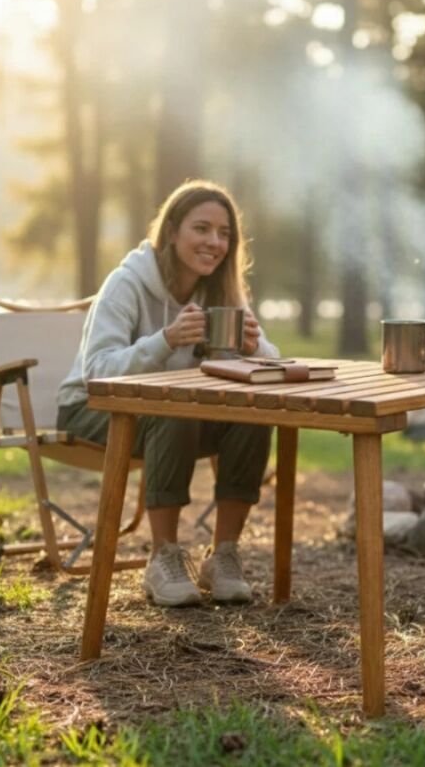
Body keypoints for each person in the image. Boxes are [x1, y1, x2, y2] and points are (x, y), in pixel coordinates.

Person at [57, 180, 279, 607]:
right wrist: (165, 340)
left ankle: (224, 555)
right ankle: (163, 557)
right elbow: (96, 370)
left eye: (224, 233)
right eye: (202, 229)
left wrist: (257, 348)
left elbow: (268, 360)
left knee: (253, 414)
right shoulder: (127, 283)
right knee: (172, 411)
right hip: (89, 407)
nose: (214, 242)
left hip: (178, 413)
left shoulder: (222, 289)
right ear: (172, 232)